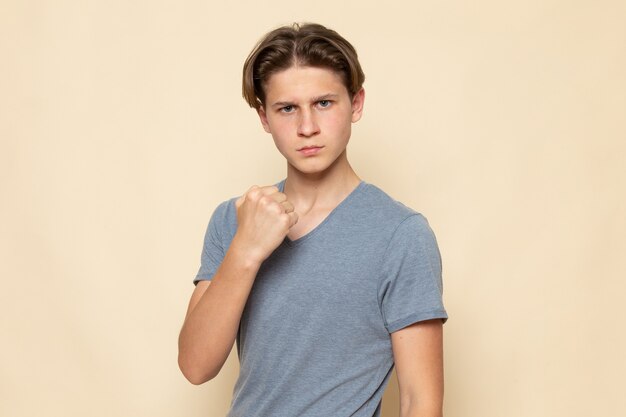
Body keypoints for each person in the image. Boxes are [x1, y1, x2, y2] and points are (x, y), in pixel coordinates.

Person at [178, 22, 448, 417]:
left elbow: (420, 402)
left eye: (324, 103)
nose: (307, 128)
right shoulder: (233, 219)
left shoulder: (401, 235)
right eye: (287, 108)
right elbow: (195, 365)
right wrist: (247, 250)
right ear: (264, 118)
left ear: (355, 104)